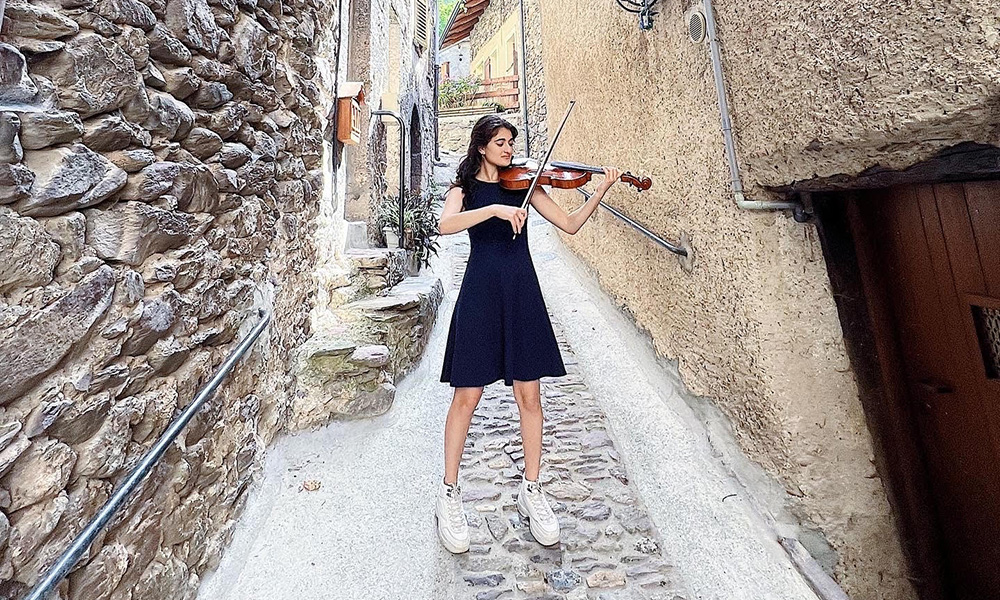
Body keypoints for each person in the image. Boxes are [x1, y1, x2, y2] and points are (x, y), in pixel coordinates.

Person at [435, 114, 622, 553]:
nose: (508, 149)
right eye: (500, 142)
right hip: (481, 292)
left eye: (511, 143)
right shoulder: (463, 191)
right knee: (467, 395)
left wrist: (602, 189)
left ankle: (532, 488)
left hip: (521, 290)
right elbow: (445, 225)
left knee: (530, 396)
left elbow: (571, 224)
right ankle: (449, 492)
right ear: (482, 147)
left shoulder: (527, 183)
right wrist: (496, 209)